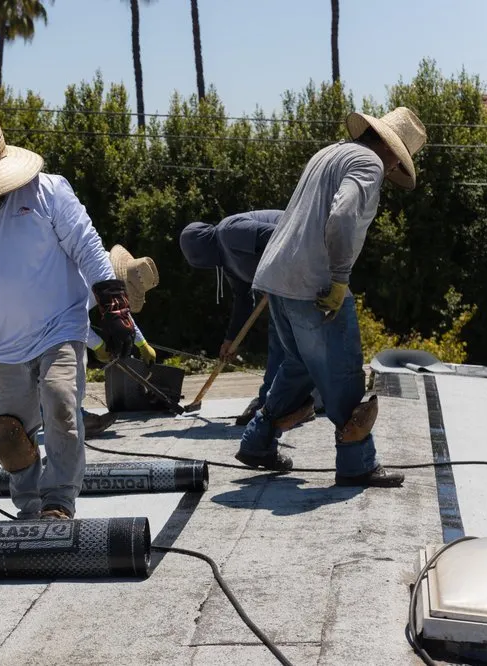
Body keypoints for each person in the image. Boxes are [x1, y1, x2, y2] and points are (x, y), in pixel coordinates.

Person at [0, 118, 137, 520]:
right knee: (11, 431)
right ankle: (28, 508)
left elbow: (88, 246)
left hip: (59, 326)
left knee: (61, 404)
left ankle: (58, 501)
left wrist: (113, 303)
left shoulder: (49, 192)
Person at [236, 107, 426, 488]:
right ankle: (357, 464)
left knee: (297, 366)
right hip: (314, 284)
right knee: (342, 373)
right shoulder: (370, 164)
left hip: (277, 277)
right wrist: (339, 278)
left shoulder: (330, 152)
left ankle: (257, 441)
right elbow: (341, 217)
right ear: (394, 154)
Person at [179, 210, 317, 428]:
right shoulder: (228, 262)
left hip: (306, 250)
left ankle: (271, 404)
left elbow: (279, 234)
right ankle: (285, 402)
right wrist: (231, 339)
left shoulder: (229, 231)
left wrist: (274, 272)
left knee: (280, 338)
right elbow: (244, 300)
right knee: (284, 338)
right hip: (287, 278)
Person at [83, 244, 159, 437]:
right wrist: (98, 345)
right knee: (70, 362)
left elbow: (120, 313)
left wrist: (142, 344)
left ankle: (61, 416)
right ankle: (75, 418)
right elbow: (69, 319)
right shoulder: (87, 278)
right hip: (35, 320)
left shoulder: (107, 274)